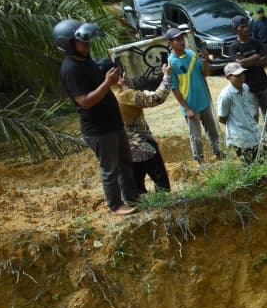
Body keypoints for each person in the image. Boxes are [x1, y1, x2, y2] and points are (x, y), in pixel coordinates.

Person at [55, 20, 139, 215]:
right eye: (82, 42)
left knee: (126, 162)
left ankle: (132, 197)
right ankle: (115, 205)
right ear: (68, 44)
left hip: (113, 123)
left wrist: (113, 80)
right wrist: (107, 83)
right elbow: (84, 101)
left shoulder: (85, 60)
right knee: (110, 169)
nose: (87, 45)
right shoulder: (70, 69)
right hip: (98, 129)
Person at [115, 62, 173, 195]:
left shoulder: (105, 96)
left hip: (124, 148)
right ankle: (164, 204)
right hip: (143, 144)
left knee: (137, 185)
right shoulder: (125, 95)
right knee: (161, 183)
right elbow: (157, 97)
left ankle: (144, 204)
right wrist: (167, 75)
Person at [166, 27, 222, 164]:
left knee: (212, 131)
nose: (181, 41)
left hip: (204, 101)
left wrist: (205, 61)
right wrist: (187, 108)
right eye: (177, 40)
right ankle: (200, 162)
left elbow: (204, 74)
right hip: (191, 106)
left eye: (182, 38)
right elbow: (174, 89)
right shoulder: (171, 64)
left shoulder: (192, 54)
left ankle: (218, 153)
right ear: (170, 43)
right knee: (195, 136)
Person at [228, 15, 267, 140]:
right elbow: (239, 65)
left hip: (263, 83)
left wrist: (247, 61)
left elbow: (265, 60)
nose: (246, 29)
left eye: (246, 26)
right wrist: (254, 57)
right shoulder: (234, 47)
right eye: (242, 27)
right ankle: (256, 139)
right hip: (248, 87)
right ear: (236, 29)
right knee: (253, 115)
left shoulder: (255, 42)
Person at [216, 63, 264, 163]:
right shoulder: (226, 95)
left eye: (242, 74)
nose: (241, 77)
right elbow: (222, 118)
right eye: (237, 75)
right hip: (241, 138)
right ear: (228, 77)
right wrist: (237, 124)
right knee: (249, 165)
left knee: (263, 160)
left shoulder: (245, 87)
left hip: (253, 132)